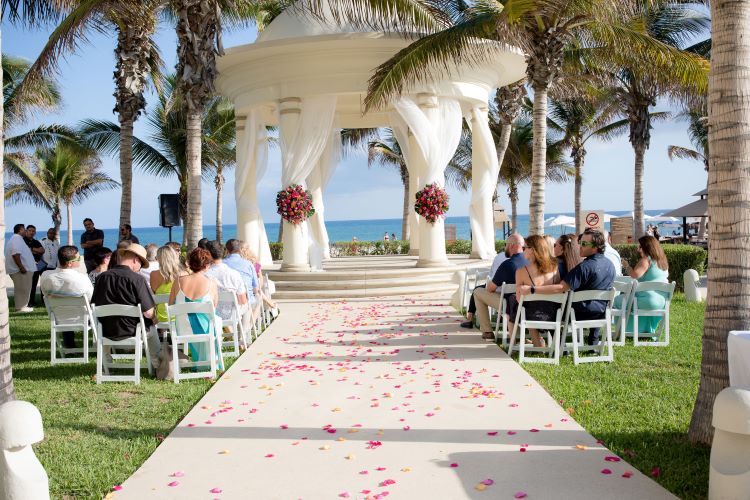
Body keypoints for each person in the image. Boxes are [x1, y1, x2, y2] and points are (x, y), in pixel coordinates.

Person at [519, 229, 615, 345]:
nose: (579, 246)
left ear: (596, 247)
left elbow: (561, 287)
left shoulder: (584, 267)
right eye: (580, 242)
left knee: (548, 309)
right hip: (600, 313)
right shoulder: (610, 265)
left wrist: (531, 289)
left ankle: (559, 345)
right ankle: (593, 343)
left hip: (578, 314)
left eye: (584, 244)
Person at [92, 243, 159, 367]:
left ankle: (106, 364)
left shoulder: (101, 278)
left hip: (106, 331)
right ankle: (157, 364)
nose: (140, 268)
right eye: (141, 264)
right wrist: (155, 317)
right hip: (133, 331)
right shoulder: (137, 279)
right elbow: (149, 313)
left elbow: (94, 306)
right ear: (136, 260)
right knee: (152, 327)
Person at [169, 247, 223, 369]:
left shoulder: (178, 282)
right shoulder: (211, 283)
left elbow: (171, 304)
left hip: (183, 329)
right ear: (206, 265)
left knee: (207, 320)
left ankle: (200, 362)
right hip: (205, 329)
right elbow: (213, 307)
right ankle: (211, 362)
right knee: (215, 321)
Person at [472, 234, 528, 340]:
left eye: (505, 244)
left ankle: (487, 331)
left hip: (508, 304)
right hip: (529, 303)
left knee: (478, 291)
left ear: (511, 246)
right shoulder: (530, 262)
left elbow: (490, 289)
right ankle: (521, 335)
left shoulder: (507, 264)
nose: (505, 247)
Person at [39, 246, 93, 348]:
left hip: (58, 318)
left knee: (64, 309)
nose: (80, 260)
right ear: (70, 263)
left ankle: (69, 345)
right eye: (78, 259)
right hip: (83, 319)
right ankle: (100, 345)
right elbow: (91, 298)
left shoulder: (45, 276)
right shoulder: (82, 278)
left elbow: (45, 293)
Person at [513, 235, 561, 347]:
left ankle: (537, 344)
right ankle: (549, 343)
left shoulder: (521, 272)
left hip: (531, 316)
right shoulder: (555, 269)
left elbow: (519, 298)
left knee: (518, 307)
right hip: (553, 315)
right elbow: (557, 292)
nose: (522, 251)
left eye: (524, 248)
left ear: (532, 250)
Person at [618, 235, 669, 334]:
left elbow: (634, 275)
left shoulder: (646, 260)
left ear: (646, 247)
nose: (638, 250)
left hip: (647, 300)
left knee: (617, 301)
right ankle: (644, 330)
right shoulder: (662, 261)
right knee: (630, 299)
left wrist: (626, 265)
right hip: (661, 301)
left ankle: (626, 330)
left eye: (640, 247)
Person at [460, 247, 508, 329]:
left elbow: (492, 274)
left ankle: (470, 319)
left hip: (497, 291)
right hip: (513, 295)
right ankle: (500, 317)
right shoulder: (522, 260)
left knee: (476, 290)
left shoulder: (500, 257)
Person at [204, 240, 249, 323]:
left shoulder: (204, 275)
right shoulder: (235, 274)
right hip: (232, 316)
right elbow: (243, 301)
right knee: (247, 305)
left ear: (208, 255)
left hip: (211, 317)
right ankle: (243, 332)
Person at [224, 239, 260, 322]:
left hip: (224, 305)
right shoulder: (248, 264)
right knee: (258, 299)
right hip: (244, 301)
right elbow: (256, 288)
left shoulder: (222, 264)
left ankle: (240, 331)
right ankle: (246, 329)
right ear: (240, 249)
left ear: (227, 250)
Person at [150, 245, 185, 327]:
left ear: (158, 259)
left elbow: (154, 295)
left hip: (161, 317)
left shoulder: (153, 274)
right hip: (179, 316)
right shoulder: (183, 274)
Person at [6, 224, 37, 312]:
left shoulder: (16, 239)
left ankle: (22, 306)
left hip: (21, 270)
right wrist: (21, 267)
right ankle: (21, 307)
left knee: (23, 289)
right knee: (22, 289)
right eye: (24, 229)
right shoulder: (17, 239)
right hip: (21, 270)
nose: (26, 231)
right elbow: (16, 254)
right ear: (20, 230)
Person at [240, 241, 278, 315]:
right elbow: (260, 278)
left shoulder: (240, 263)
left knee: (257, 290)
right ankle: (268, 302)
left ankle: (268, 302)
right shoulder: (253, 262)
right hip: (252, 290)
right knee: (258, 291)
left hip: (245, 289)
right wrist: (258, 287)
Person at [24, 225, 45, 307]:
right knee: (27, 286)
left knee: (33, 285)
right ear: (26, 231)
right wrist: (36, 251)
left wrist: (32, 249)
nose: (31, 232)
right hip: (26, 267)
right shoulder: (23, 240)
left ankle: (31, 301)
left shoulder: (35, 241)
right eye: (30, 230)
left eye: (33, 231)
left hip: (36, 267)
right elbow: (24, 251)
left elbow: (42, 250)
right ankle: (26, 302)